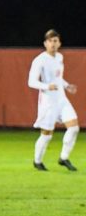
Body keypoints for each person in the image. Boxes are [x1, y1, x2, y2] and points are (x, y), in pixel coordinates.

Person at [28, 29, 78, 172]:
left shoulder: (59, 58)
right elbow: (31, 82)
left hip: (61, 99)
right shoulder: (39, 60)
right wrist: (46, 86)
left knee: (74, 127)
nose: (53, 44)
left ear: (59, 43)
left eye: (55, 41)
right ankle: (37, 161)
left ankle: (63, 158)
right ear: (45, 43)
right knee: (46, 135)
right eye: (50, 41)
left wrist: (67, 86)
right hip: (48, 103)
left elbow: (58, 78)